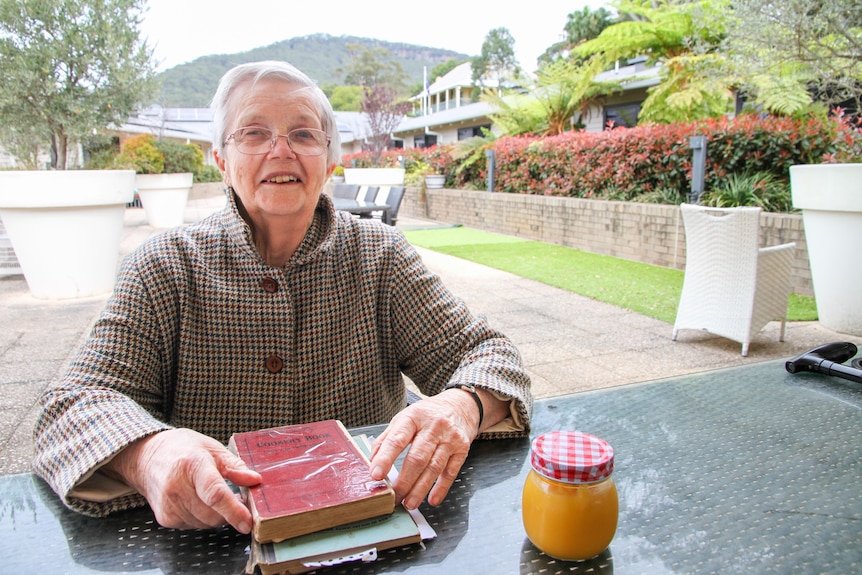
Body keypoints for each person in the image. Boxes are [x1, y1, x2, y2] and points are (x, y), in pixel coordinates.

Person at [33, 60, 532, 535]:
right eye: (254, 133)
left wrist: (460, 407)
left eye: (303, 134)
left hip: (373, 526)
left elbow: (490, 355)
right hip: (214, 536)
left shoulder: (380, 257)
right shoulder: (166, 267)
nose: (281, 150)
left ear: (330, 159)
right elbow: (72, 406)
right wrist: (148, 453)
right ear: (222, 161)